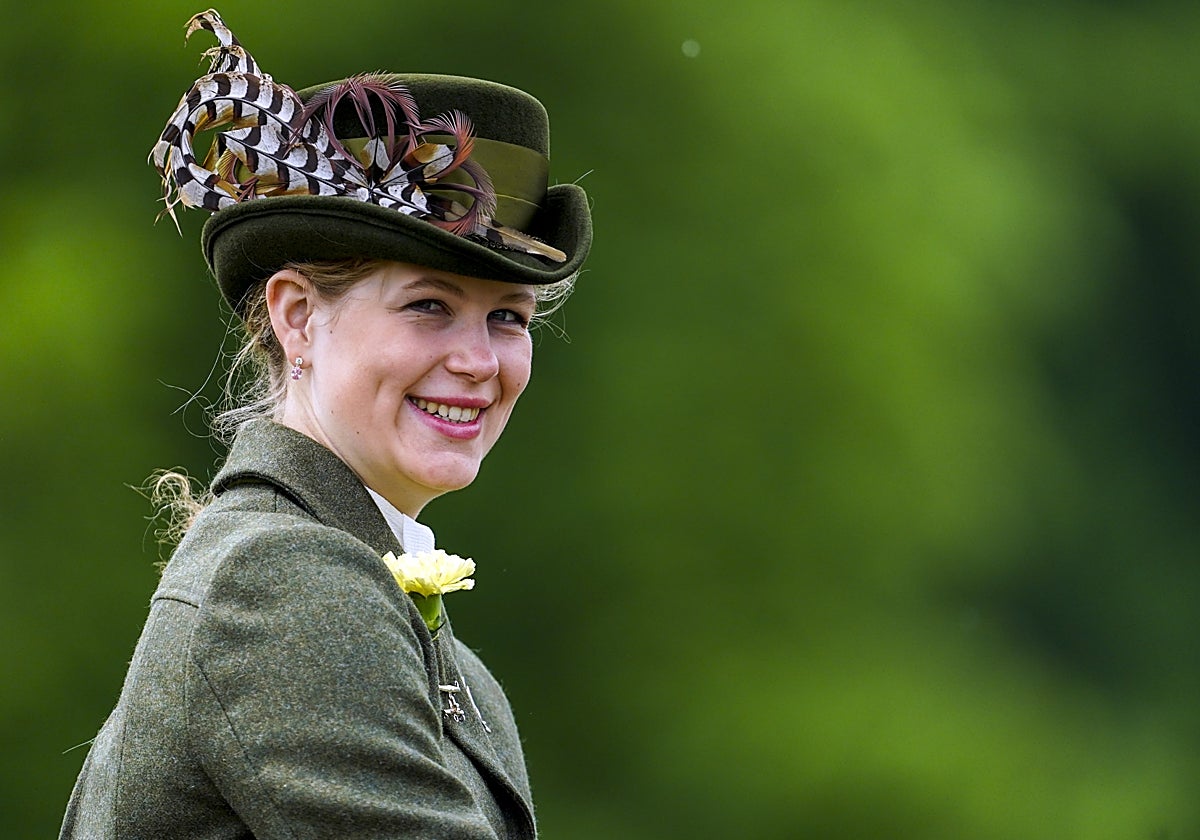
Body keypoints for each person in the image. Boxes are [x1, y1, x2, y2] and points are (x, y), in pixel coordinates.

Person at [59, 9, 590, 839]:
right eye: (427, 306)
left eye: (509, 319)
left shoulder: (378, 606)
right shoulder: (285, 583)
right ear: (298, 317)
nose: (479, 362)